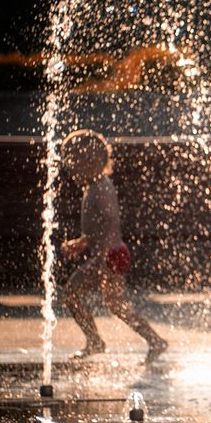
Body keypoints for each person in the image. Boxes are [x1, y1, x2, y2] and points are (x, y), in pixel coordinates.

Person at [59, 129, 167, 361]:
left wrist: (101, 257)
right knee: (116, 304)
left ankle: (95, 341)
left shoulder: (100, 188)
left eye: (74, 162)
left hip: (110, 255)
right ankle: (154, 340)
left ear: (91, 162)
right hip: (113, 253)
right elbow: (97, 228)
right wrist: (82, 243)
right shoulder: (94, 186)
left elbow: (110, 222)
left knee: (71, 293)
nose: (70, 168)